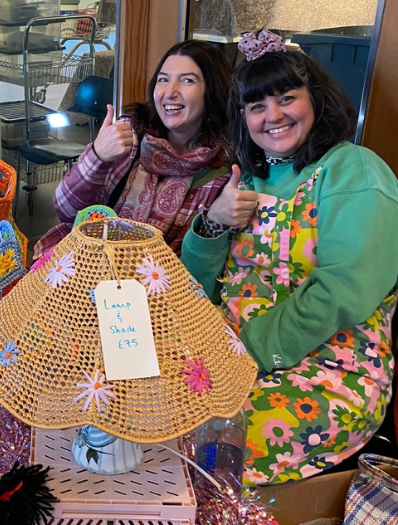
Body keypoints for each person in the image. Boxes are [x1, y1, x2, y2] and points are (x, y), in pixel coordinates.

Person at [181, 29, 398, 485]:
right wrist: (215, 221)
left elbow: (345, 290)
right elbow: (190, 288)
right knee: (142, 414)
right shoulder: (248, 180)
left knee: (202, 450)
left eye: (286, 98)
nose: (273, 116)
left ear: (315, 99)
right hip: (225, 352)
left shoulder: (352, 169)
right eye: (257, 106)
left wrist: (245, 354)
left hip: (328, 366)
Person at [33, 40, 232, 260]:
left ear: (211, 90)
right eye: (163, 79)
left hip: (160, 288)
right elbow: (66, 211)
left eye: (187, 81)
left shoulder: (222, 171)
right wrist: (97, 156)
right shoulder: (130, 135)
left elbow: (196, 265)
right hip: (86, 271)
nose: (170, 92)